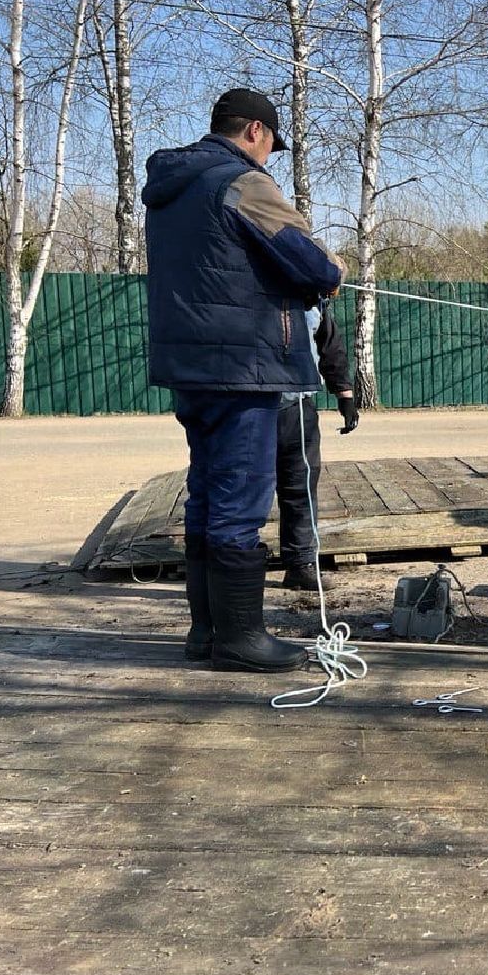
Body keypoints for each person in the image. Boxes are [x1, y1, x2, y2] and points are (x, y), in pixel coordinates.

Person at [143, 87, 343, 672]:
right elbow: (310, 263)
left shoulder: (172, 190)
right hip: (245, 367)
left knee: (207, 495)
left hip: (193, 367)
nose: (270, 157)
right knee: (239, 504)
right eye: (271, 146)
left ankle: (206, 633)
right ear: (255, 131)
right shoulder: (244, 183)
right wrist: (330, 276)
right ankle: (239, 639)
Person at [274, 303, 359, 591]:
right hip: (248, 406)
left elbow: (330, 346)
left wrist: (345, 395)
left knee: (300, 485)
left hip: (296, 406)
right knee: (247, 488)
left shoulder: (314, 302)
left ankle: (300, 563)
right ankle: (234, 566)